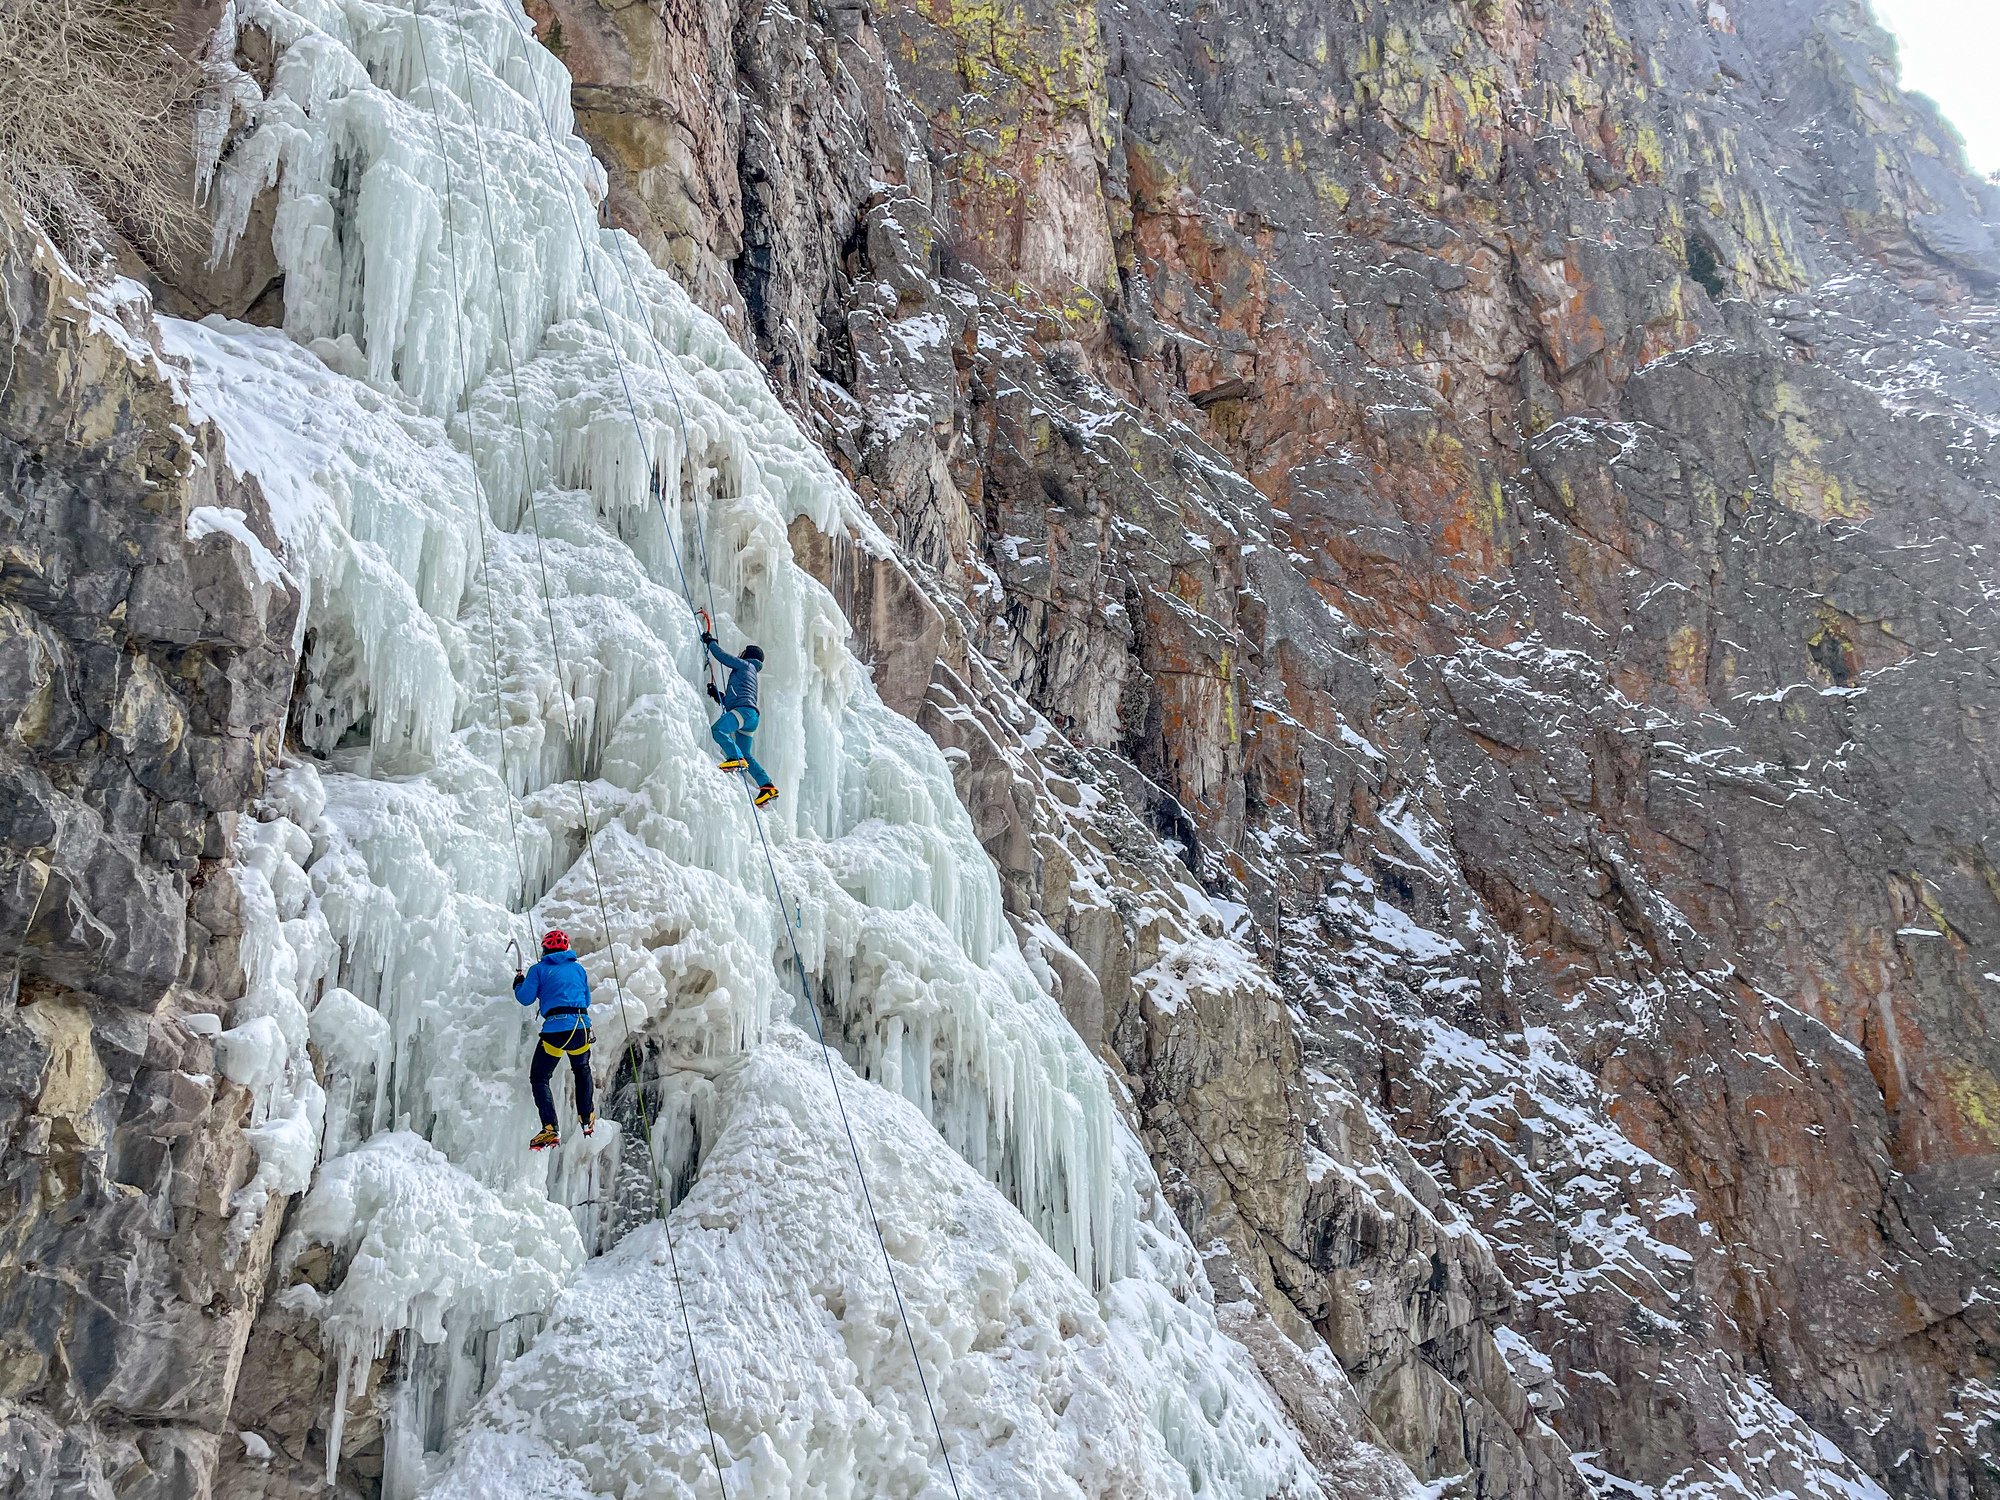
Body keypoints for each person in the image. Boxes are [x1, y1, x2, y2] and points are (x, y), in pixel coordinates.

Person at [513, 929, 594, 1150]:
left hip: (556, 1032)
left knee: (540, 1078)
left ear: (545, 948)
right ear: (566, 949)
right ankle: (587, 1117)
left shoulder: (538, 969)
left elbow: (525, 998)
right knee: (582, 1069)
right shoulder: (578, 969)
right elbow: (586, 998)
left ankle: (550, 1127)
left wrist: (518, 982)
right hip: (581, 1028)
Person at [703, 628, 778, 807]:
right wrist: (717, 695)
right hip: (751, 717)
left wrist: (710, 642)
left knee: (718, 730)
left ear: (747, 655)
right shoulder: (751, 674)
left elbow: (723, 657)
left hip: (743, 712)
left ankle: (735, 759)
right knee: (746, 754)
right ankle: (767, 786)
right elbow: (733, 700)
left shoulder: (745, 665)